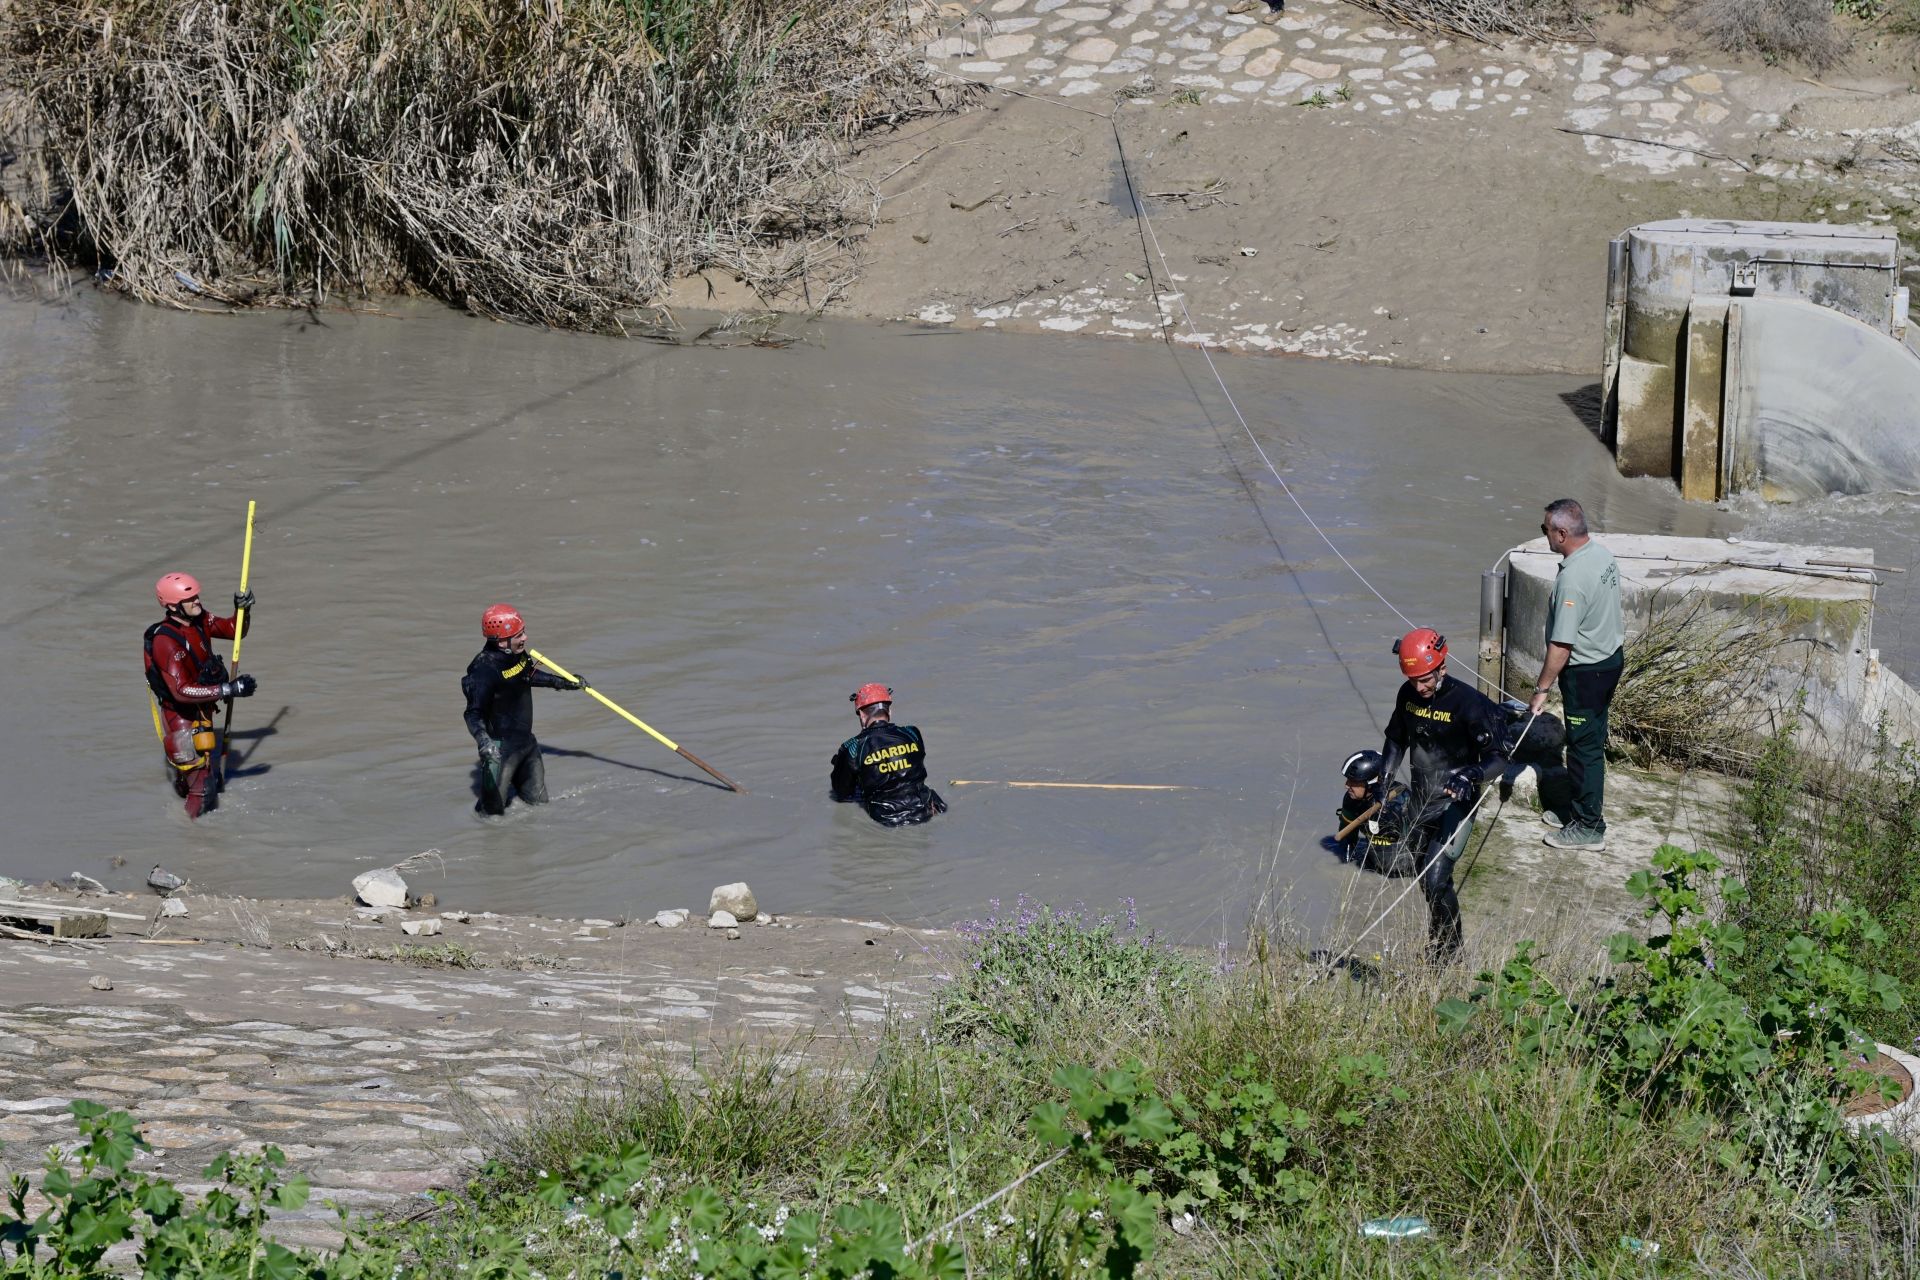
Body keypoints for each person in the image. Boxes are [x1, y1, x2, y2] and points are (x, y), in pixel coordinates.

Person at [1378, 628, 1507, 959]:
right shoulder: (1407, 696)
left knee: (1436, 878)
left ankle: (1451, 950)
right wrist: (1385, 777)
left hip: (1456, 801)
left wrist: (1473, 773)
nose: (1419, 687)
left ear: (1442, 668)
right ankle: (1438, 937)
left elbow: (1499, 759)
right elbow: (1396, 739)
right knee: (1423, 878)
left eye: (1425, 679)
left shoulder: (1470, 704)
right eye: (1412, 679)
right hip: (1422, 800)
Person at [1526, 499, 1624, 852]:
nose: (1545, 535)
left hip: (1586, 674)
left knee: (1584, 750)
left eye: (1546, 530)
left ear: (1562, 533)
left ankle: (1588, 827)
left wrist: (1541, 690)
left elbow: (1561, 646)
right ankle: (1576, 809)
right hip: (1610, 660)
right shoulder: (1601, 555)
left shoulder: (1572, 578)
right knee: (1589, 740)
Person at [143, 572, 258, 819]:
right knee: (203, 789)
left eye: (197, 596)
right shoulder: (166, 641)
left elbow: (233, 630)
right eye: (191, 598)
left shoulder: (200, 619)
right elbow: (181, 691)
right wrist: (228, 689)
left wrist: (242, 611)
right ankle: (190, 834)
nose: (197, 601)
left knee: (203, 773)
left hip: (202, 708)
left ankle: (184, 787)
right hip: (181, 718)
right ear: (174, 606)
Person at [461, 604, 585, 815]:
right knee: (491, 818)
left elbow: (527, 675)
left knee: (540, 807)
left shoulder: (515, 653)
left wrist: (563, 683)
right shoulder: (482, 671)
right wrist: (484, 741)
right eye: (518, 635)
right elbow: (473, 713)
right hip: (498, 753)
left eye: (523, 632)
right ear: (501, 641)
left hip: (526, 744)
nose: (525, 638)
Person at [830, 683, 947, 827]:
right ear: (889, 711)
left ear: (861, 714)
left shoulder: (853, 747)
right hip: (930, 807)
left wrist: (841, 764)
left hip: (888, 820)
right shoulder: (912, 732)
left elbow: (841, 792)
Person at [1334, 749, 1409, 876]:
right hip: (1374, 859)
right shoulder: (1351, 800)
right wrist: (1343, 869)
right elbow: (1347, 841)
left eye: (1354, 781)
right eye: (1348, 780)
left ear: (1372, 784)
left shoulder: (1399, 804)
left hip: (1402, 866)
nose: (1347, 785)